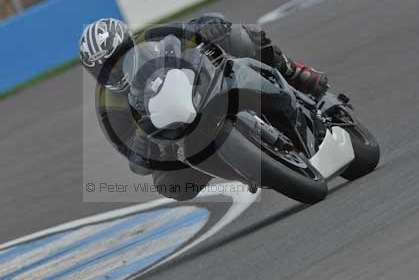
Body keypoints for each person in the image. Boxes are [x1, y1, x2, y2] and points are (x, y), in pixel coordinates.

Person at [79, 14, 328, 200]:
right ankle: (243, 164)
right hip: (182, 139)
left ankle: (294, 72)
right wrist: (142, 150)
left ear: (130, 44)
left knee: (238, 36)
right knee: (168, 184)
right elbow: (134, 160)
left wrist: (209, 25)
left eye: (118, 60)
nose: (113, 70)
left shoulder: (155, 43)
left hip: (206, 86)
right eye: (103, 69)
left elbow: (194, 27)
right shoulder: (111, 109)